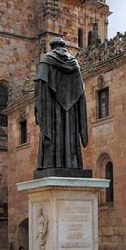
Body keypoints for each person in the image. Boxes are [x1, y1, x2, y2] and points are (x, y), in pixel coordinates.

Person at [34, 37, 88, 170]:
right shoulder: (74, 63)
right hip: (72, 111)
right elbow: (81, 89)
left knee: (54, 132)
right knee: (69, 132)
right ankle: (71, 163)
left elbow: (40, 85)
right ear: (63, 47)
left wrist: (38, 106)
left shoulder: (46, 60)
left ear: (52, 47)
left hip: (52, 108)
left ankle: (51, 163)